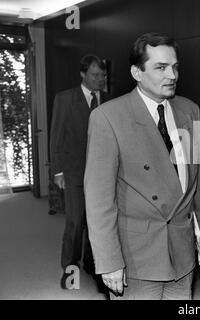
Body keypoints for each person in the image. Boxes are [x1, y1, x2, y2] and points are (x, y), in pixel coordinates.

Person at [84, 33, 200, 300]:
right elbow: (99, 201)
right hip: (136, 257)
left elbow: (199, 180)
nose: (172, 75)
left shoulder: (190, 110)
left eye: (175, 67)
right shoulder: (107, 117)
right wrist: (109, 261)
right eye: (161, 67)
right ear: (136, 72)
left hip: (183, 249)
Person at [49, 54, 110, 290]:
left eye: (102, 75)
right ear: (83, 74)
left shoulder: (107, 100)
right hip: (74, 172)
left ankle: (91, 263)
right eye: (95, 75)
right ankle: (70, 267)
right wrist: (58, 172)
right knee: (75, 223)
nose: (100, 79)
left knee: (97, 222)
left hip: (101, 173)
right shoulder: (65, 99)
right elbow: (56, 137)